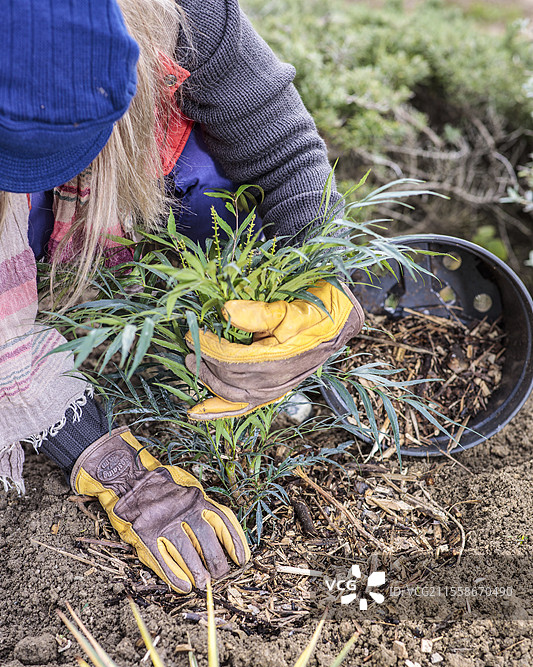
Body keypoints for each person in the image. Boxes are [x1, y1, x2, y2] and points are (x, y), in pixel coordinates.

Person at [0, 0, 363, 594]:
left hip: (126, 177)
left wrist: (321, 281)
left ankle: (151, 305)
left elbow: (280, 146)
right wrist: (123, 473)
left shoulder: (183, 13)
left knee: (205, 177)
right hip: (28, 227)